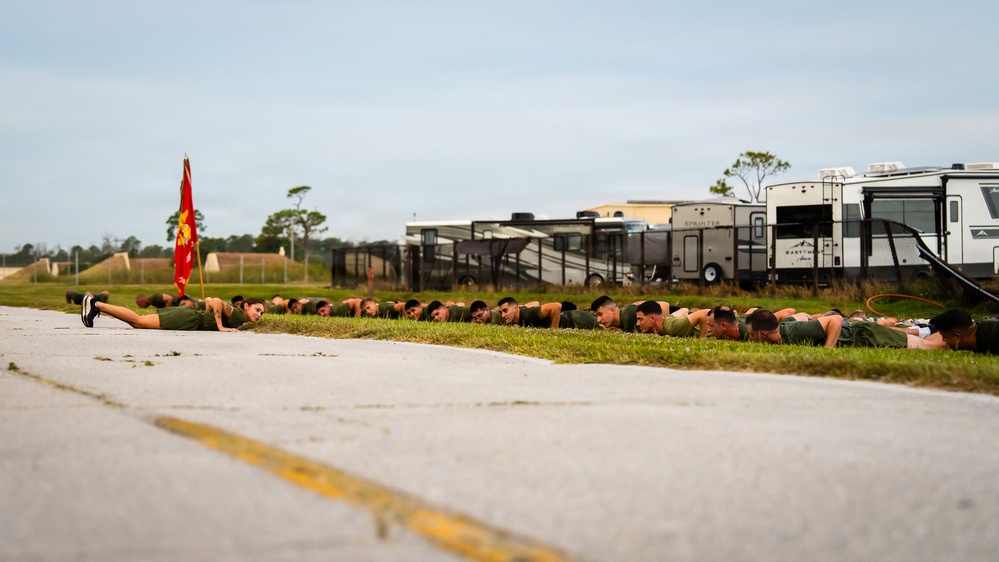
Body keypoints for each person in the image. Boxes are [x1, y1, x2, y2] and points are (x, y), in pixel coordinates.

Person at [81, 293, 265, 332]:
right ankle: (96, 304)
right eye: (257, 310)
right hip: (188, 319)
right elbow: (217, 300)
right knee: (138, 322)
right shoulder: (239, 315)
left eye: (262, 313)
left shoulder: (240, 320)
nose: (259, 314)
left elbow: (209, 300)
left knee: (138, 322)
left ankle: (96, 305)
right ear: (246, 306)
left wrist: (210, 313)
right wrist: (220, 326)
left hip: (188, 318)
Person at [929, 309, 999, 354]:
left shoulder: (992, 339)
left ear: (957, 337)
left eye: (944, 337)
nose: (943, 340)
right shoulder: (979, 332)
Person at [634, 301, 709, 338]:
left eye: (640, 319)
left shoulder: (672, 327)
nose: (637, 323)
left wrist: (702, 340)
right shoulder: (667, 320)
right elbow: (684, 310)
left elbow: (704, 314)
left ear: (652, 319)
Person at [497, 297, 562, 329]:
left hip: (570, 320)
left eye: (505, 311)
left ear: (516, 309)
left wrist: (553, 331)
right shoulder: (516, 314)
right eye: (501, 312)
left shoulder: (528, 314)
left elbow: (556, 306)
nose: (502, 315)